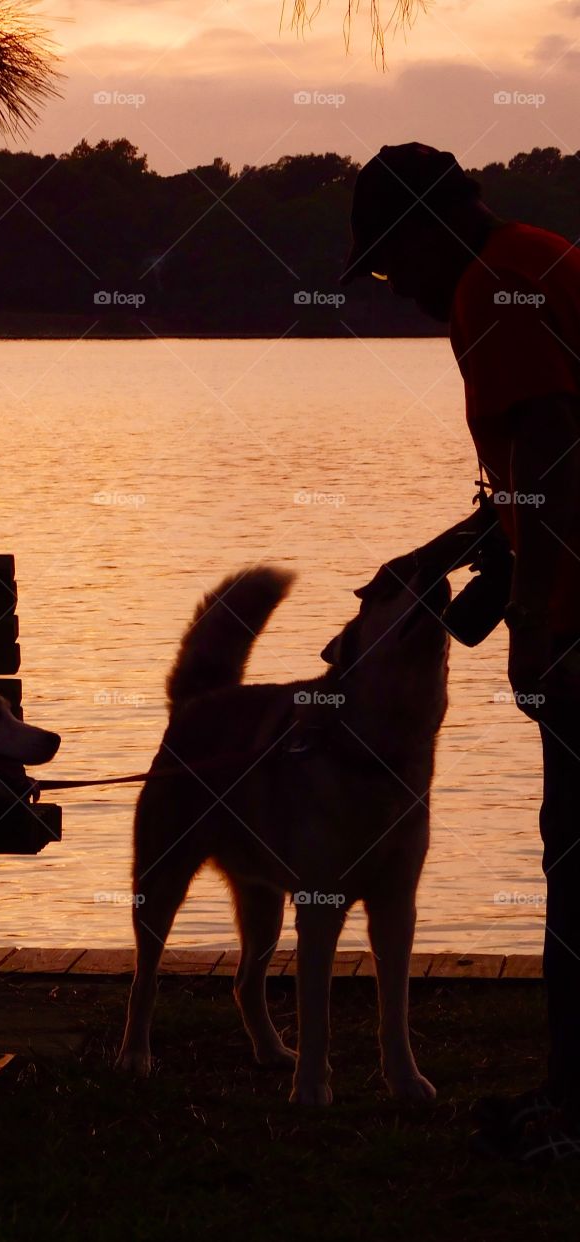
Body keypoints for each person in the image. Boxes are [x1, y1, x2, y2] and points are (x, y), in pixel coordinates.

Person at [342, 142, 580, 1165]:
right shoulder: (534, 259)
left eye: (394, 267)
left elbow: (557, 458)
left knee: (575, 853)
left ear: (430, 230)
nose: (396, 292)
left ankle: (573, 1109)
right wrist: (445, 554)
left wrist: (536, 623)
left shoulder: (496, 289)